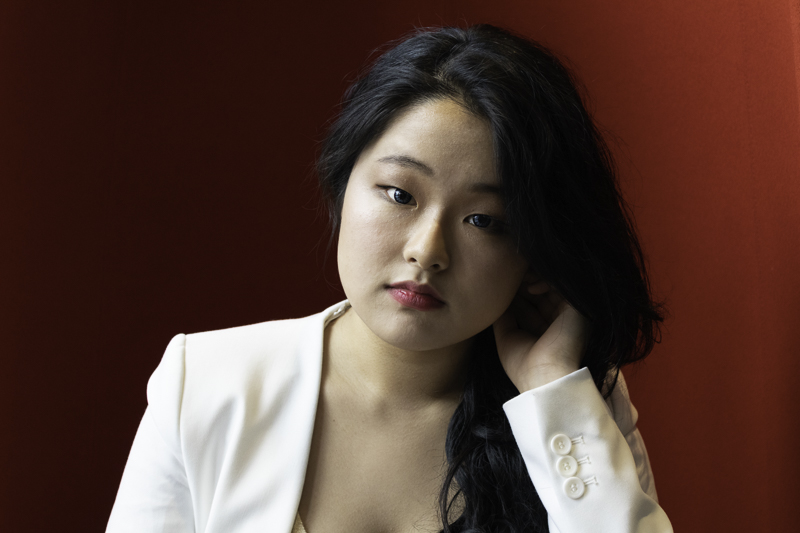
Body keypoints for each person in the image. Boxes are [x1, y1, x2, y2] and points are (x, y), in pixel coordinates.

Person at [107, 24, 673, 533]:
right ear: (342, 183)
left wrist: (554, 391)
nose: (427, 252)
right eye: (400, 194)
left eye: (484, 220)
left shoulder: (570, 405)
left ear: (534, 250)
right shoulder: (205, 383)